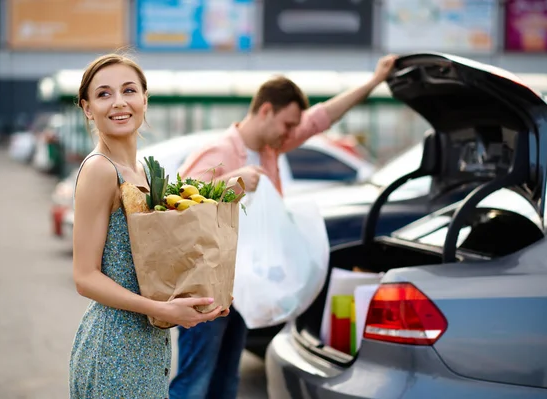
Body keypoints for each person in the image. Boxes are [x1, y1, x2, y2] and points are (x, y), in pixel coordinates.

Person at [169, 54, 398, 399]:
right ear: (266, 111)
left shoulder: (269, 148)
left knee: (226, 380)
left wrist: (374, 81)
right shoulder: (219, 152)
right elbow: (176, 208)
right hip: (206, 287)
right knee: (194, 381)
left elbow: (322, 118)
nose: (293, 133)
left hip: (242, 288)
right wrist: (233, 180)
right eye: (288, 124)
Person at [68, 53, 229, 399]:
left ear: (144, 99)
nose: (119, 102)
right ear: (87, 108)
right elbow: (85, 276)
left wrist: (198, 295)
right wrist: (163, 310)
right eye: (104, 94)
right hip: (115, 346)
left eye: (129, 90)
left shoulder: (140, 169)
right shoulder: (100, 170)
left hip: (149, 341)